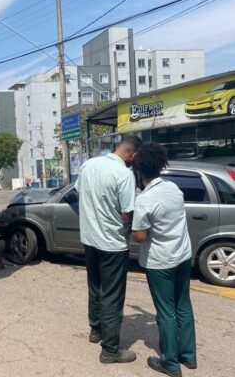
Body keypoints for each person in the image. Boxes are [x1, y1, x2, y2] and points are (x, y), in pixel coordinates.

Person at [131, 143, 196, 377]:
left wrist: (131, 227)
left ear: (138, 173)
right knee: (183, 305)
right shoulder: (173, 188)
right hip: (182, 255)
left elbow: (140, 236)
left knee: (166, 311)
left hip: (161, 262)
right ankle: (188, 355)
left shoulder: (144, 200)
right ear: (160, 166)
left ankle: (169, 362)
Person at [75, 136, 142, 364]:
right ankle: (110, 350)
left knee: (95, 286)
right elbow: (127, 212)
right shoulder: (124, 175)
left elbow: (78, 191)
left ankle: (96, 330)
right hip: (113, 243)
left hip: (89, 238)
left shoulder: (88, 165)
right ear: (133, 156)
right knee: (112, 295)